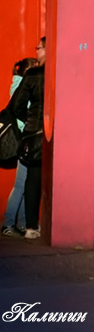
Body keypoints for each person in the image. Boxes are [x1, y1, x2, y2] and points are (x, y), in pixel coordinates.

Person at [2, 57, 37, 236]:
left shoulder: (18, 85)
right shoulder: (23, 88)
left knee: (24, 183)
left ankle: (22, 224)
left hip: (25, 140)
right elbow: (23, 112)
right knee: (21, 184)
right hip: (25, 140)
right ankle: (9, 223)